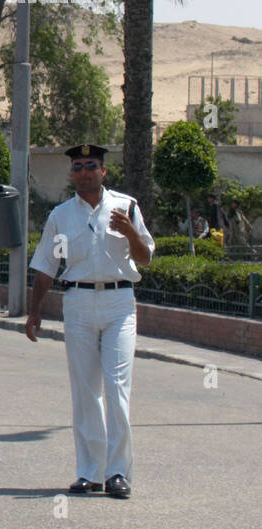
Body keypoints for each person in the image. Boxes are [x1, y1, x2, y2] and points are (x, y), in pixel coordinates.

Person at [24, 144, 154, 500]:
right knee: (85, 391)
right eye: (78, 167)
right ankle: (89, 472)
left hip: (119, 303)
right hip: (78, 302)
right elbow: (46, 267)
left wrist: (131, 232)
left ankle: (117, 474)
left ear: (103, 171)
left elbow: (145, 258)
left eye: (91, 166)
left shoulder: (125, 207)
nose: (84, 172)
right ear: (73, 173)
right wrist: (34, 311)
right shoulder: (61, 216)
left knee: (116, 388)